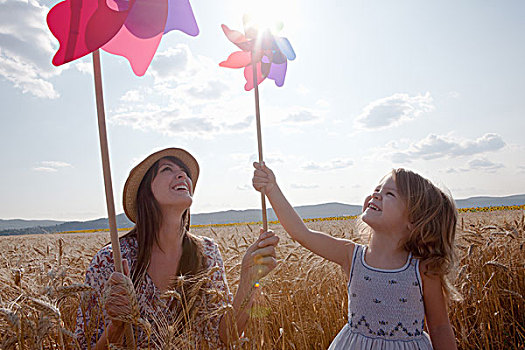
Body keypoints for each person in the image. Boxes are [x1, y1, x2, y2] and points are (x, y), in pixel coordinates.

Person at [74, 148, 279, 349]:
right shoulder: (111, 260)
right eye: (166, 170)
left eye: (184, 172)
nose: (182, 174)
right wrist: (117, 326)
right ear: (145, 191)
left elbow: (226, 336)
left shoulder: (207, 253)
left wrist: (249, 280)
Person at [252, 162, 460, 349]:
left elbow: (440, 326)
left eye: (390, 194)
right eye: (377, 189)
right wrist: (272, 189)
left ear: (413, 220)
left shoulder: (422, 269)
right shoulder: (351, 255)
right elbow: (302, 234)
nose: (376, 194)